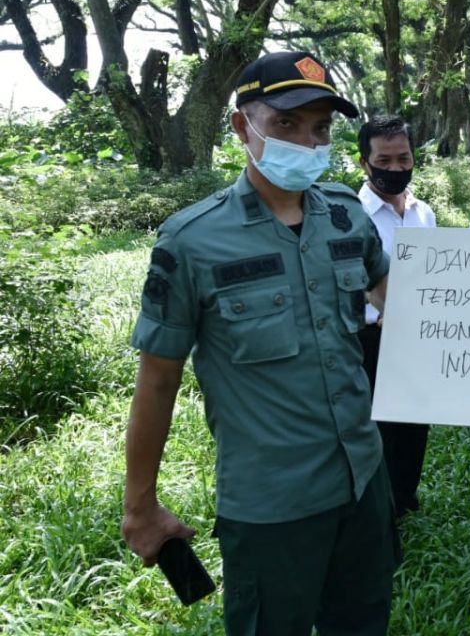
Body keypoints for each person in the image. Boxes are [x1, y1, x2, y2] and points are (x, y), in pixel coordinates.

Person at [122, 51, 397, 635]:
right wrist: (140, 505)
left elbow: (394, 298)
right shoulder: (193, 241)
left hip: (364, 479)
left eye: (321, 127)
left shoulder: (347, 215)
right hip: (275, 504)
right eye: (287, 125)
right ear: (242, 126)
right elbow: (157, 377)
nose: (308, 141)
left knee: (364, 623)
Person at [356, 116, 436, 516]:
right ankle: (375, 510)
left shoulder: (424, 212)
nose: (395, 169)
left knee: (414, 423)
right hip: (370, 339)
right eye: (383, 160)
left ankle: (404, 499)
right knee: (374, 429)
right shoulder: (351, 216)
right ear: (364, 163)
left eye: (403, 158)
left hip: (418, 338)